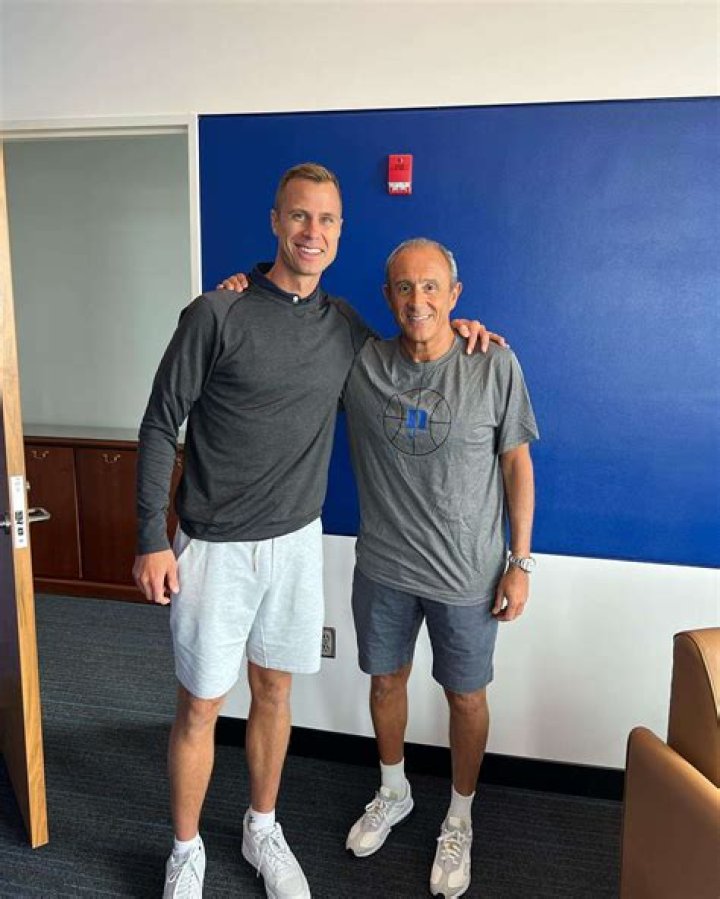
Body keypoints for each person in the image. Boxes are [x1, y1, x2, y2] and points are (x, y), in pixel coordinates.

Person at [133, 164, 499, 899]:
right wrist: (151, 534)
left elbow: (410, 356)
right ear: (276, 221)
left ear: (339, 232)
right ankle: (185, 849)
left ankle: (262, 827)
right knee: (200, 705)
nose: (313, 231)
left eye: (327, 220)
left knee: (274, 692)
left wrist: (462, 332)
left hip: (296, 541)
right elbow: (159, 423)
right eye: (299, 216)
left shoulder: (344, 329)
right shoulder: (216, 313)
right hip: (214, 544)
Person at [341, 238, 538, 898]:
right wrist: (239, 287)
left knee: (466, 697)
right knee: (385, 682)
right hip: (384, 568)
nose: (417, 300)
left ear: (455, 294)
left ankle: (459, 817)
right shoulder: (360, 363)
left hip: (468, 575)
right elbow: (295, 321)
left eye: (431, 287)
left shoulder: (493, 362)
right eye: (404, 287)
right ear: (387, 296)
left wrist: (520, 562)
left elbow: (517, 464)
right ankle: (393, 791)